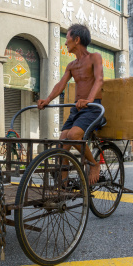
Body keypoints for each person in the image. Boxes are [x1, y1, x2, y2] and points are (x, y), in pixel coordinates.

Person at [37, 24, 103, 185]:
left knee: (73, 136)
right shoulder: (71, 65)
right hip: (77, 109)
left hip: (92, 108)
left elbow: (99, 79)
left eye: (67, 39)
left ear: (77, 39)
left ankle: (94, 164)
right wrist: (47, 100)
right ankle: (63, 188)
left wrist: (89, 100)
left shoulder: (95, 57)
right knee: (61, 147)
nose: (65, 43)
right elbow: (60, 85)